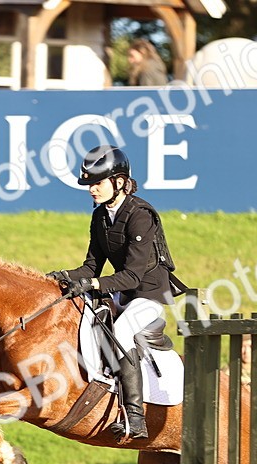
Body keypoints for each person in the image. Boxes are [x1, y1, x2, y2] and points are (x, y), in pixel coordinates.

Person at [46, 146, 180, 441]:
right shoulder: (100, 217)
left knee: (121, 328)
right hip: (122, 292)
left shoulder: (141, 215)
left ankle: (135, 416)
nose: (91, 190)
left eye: (97, 183)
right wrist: (62, 278)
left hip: (149, 294)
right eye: (89, 185)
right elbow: (91, 267)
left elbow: (133, 275)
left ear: (119, 182)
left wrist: (92, 286)